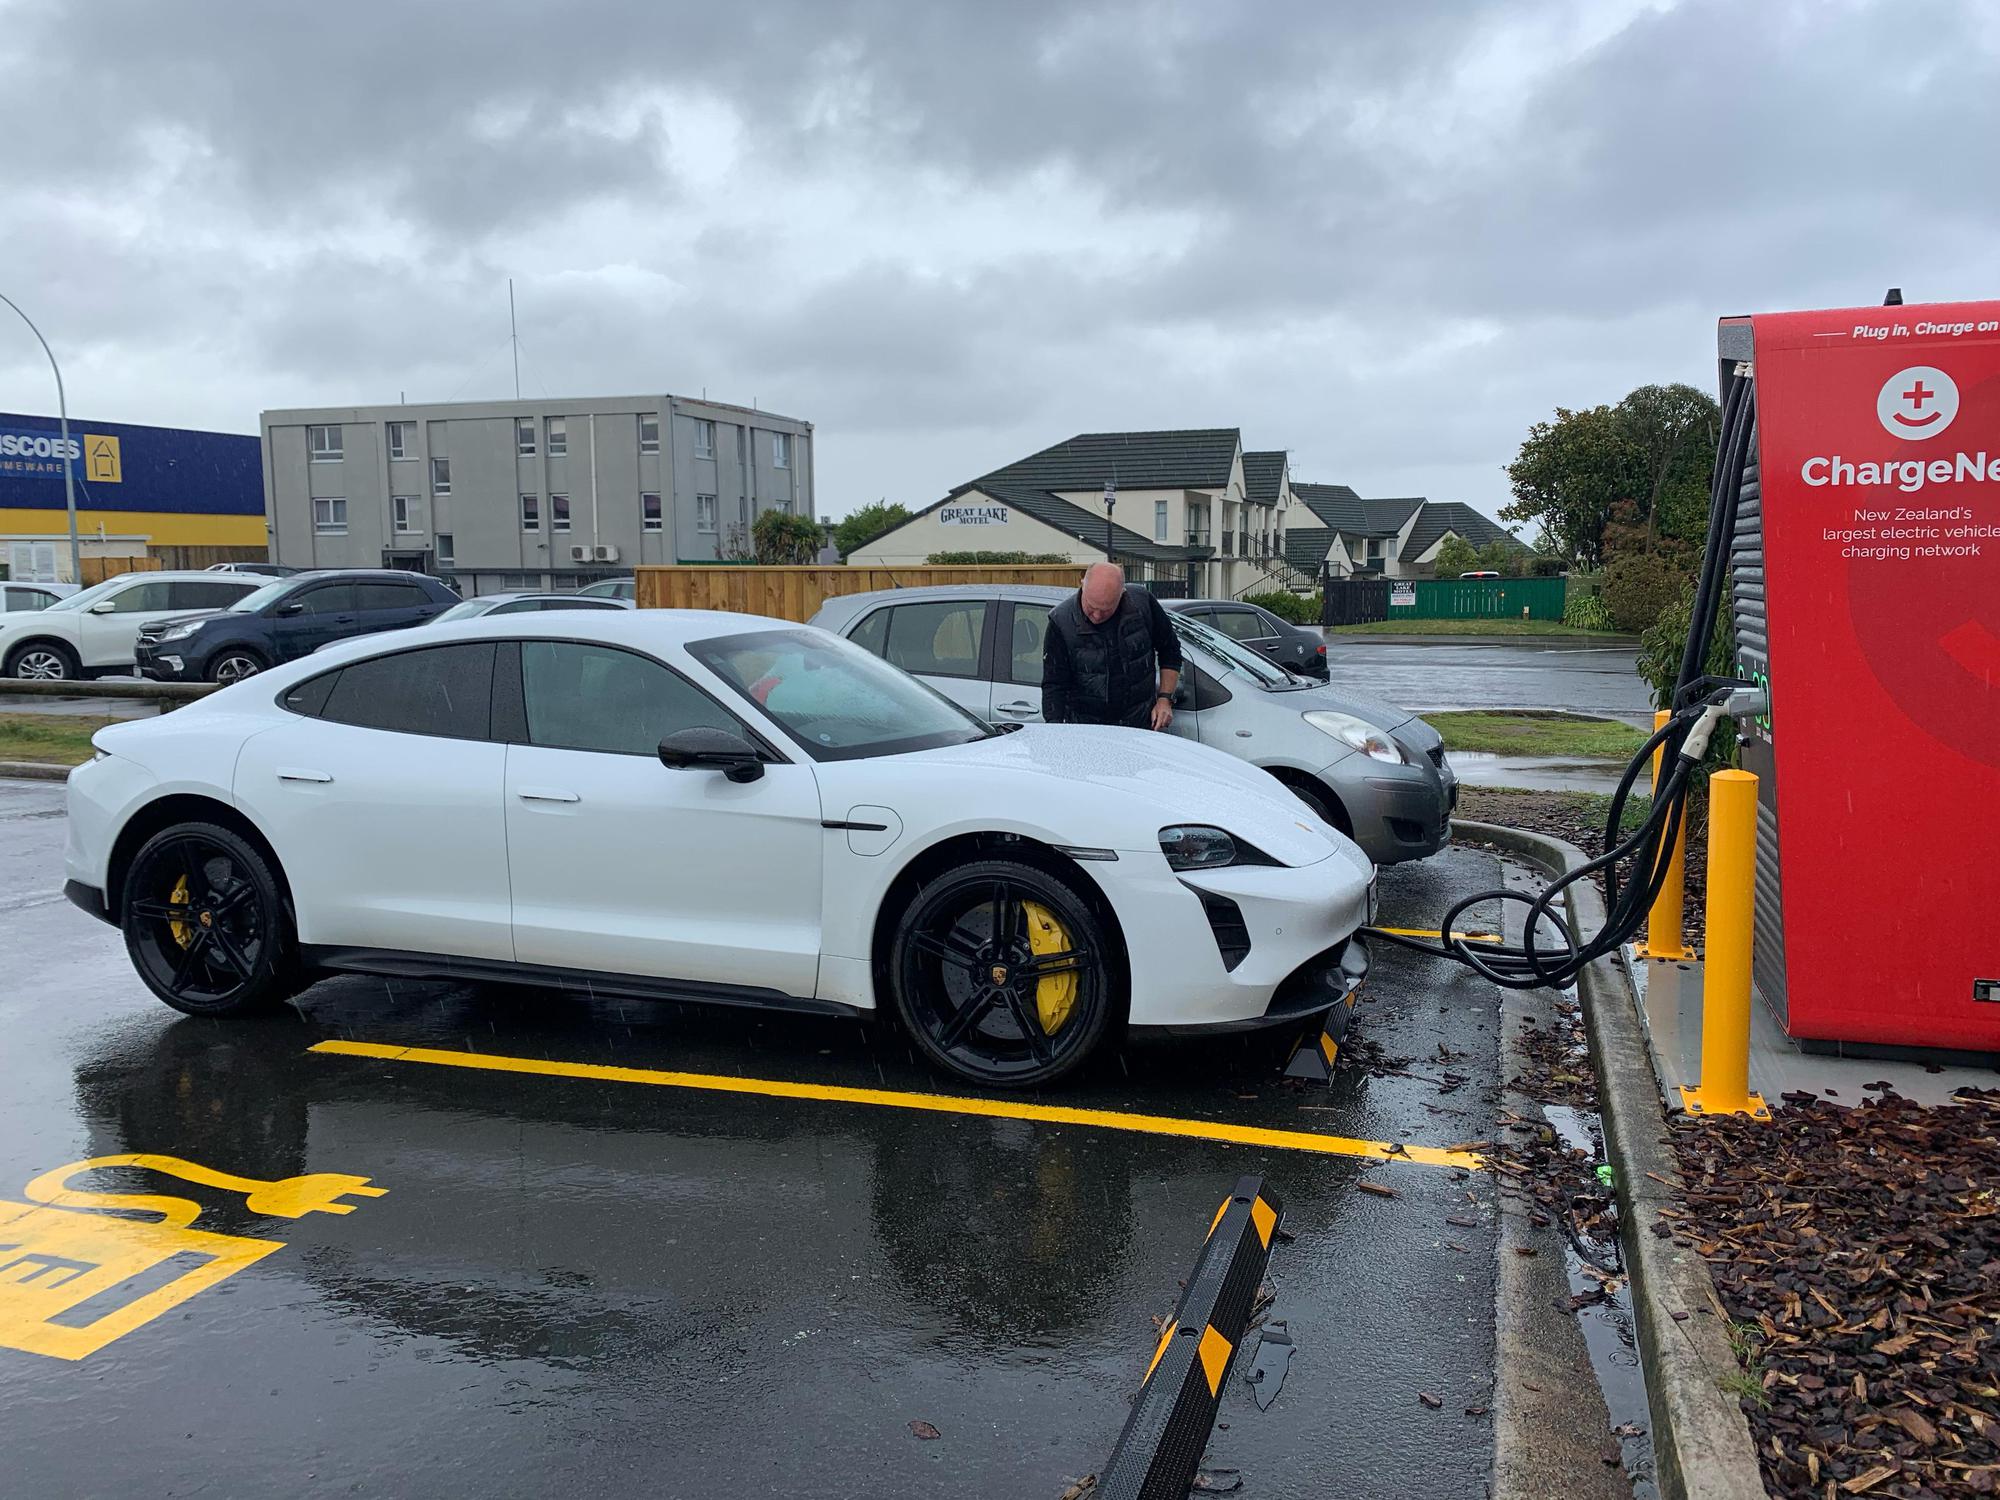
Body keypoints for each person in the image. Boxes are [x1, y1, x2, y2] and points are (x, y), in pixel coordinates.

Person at [1041, 563, 1183, 729]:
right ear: (1082, 585)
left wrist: (1165, 699)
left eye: (1106, 609)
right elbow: (1054, 685)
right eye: (1091, 607)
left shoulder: (1142, 603)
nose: (1097, 615)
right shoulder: (1061, 621)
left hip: (1140, 724)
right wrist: (1056, 730)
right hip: (1086, 729)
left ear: (1121, 594)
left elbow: (1170, 650)